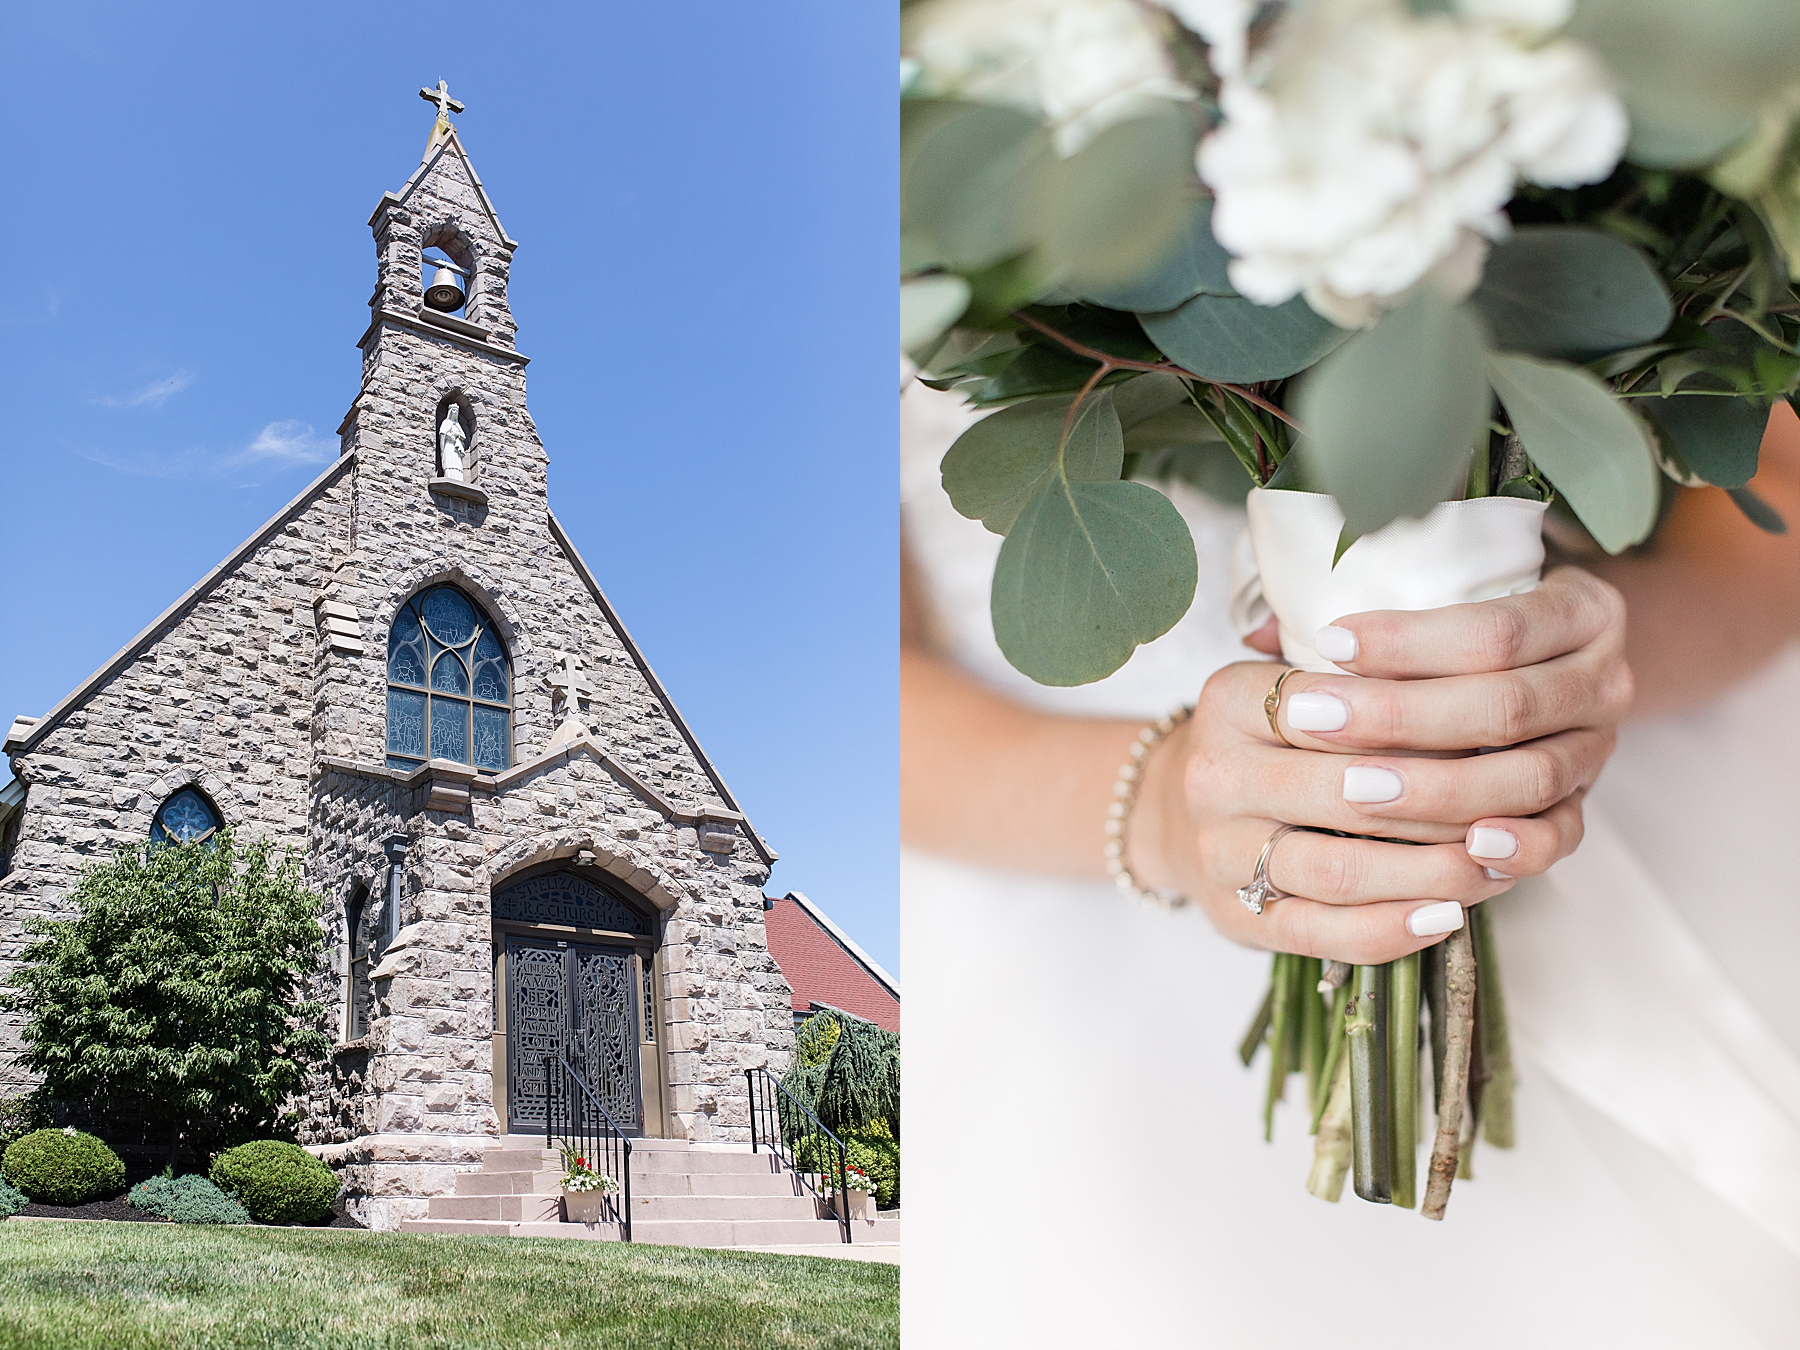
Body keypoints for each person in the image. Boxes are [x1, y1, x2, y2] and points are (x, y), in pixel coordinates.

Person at [900, 378, 1800, 1348]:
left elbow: (1769, 473)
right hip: (1055, 854)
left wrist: (1557, 671)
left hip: (1612, 760)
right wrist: (1167, 806)